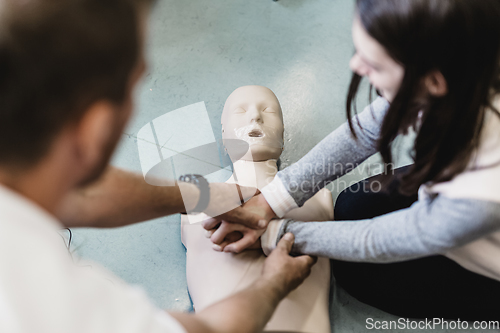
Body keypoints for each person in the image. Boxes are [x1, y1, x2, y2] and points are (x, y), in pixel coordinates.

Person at [0, 0, 316, 332]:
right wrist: (274, 282)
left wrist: (207, 195)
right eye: (134, 83)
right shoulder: (63, 307)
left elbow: (84, 198)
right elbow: (210, 329)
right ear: (98, 128)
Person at [203, 0, 500, 321]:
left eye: (374, 64)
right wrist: (270, 201)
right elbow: (371, 128)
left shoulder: (481, 192)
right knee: (351, 206)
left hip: (485, 255)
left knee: (359, 274)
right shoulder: (463, 64)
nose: (357, 65)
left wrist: (275, 235)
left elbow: (379, 240)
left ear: (433, 82)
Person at [182, 85, 333, 333]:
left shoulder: (321, 198)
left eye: (268, 110)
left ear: (283, 133)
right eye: (240, 111)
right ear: (223, 135)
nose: (255, 117)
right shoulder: (194, 203)